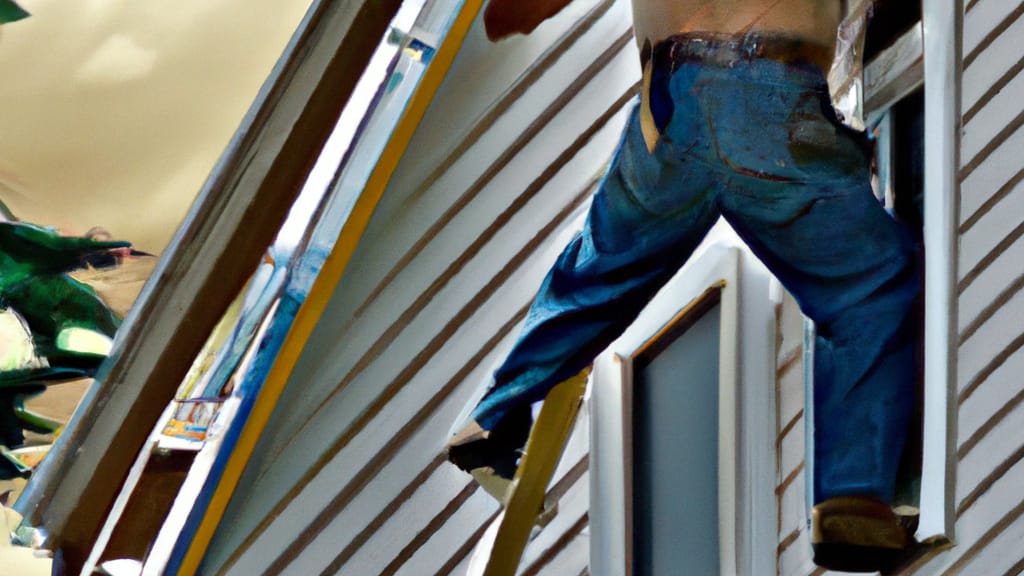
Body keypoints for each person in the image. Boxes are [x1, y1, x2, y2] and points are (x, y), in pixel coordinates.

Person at [446, 0, 920, 571]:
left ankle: (493, 419)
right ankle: (852, 496)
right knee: (869, 282)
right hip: (762, 91)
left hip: (666, 111)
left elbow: (510, 16)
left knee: (598, 273)